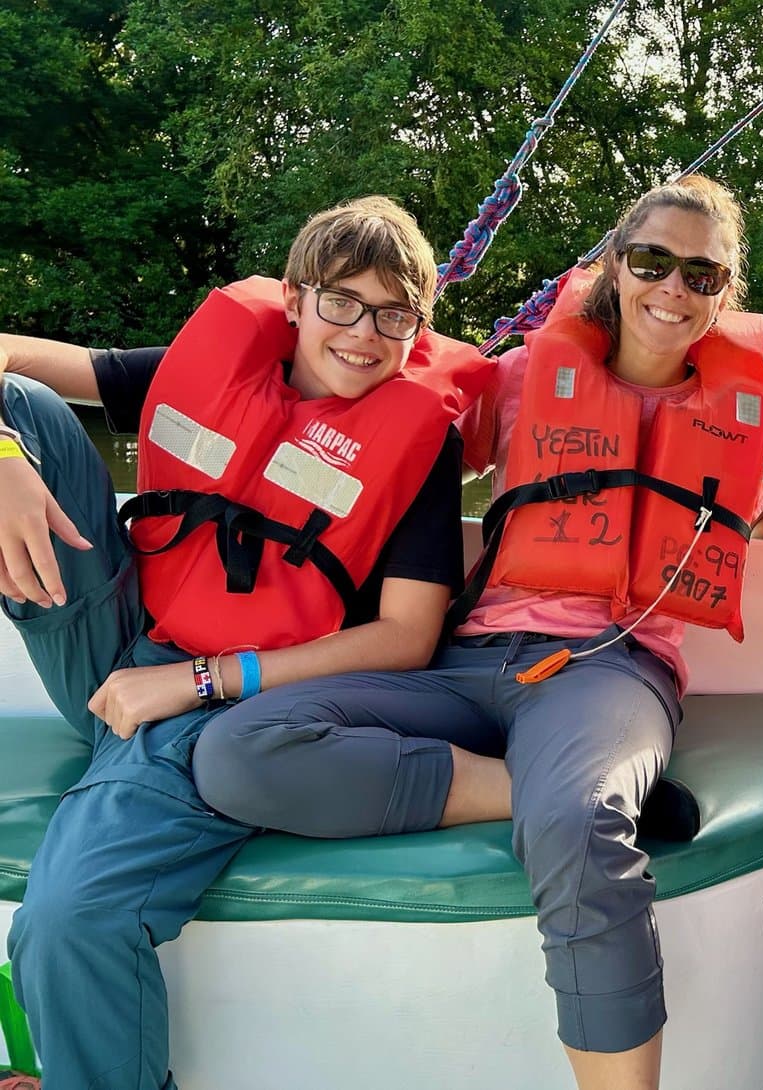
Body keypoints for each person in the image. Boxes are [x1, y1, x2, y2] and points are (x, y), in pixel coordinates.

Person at [189, 174, 763, 1090]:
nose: (673, 287)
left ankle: (578, 802)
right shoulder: (533, 374)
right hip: (466, 660)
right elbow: (395, 421)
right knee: (237, 749)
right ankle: (557, 789)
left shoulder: (727, 411)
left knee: (578, 824)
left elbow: (751, 496)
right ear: (615, 266)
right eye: (652, 260)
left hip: (605, 672)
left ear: (724, 293)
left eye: (703, 274)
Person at [0, 195, 488, 1090]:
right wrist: (2, 462)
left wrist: (200, 680)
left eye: (394, 316)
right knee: (17, 403)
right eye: (342, 302)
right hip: (109, 631)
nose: (364, 334)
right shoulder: (210, 369)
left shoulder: (417, 444)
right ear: (296, 300)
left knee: (67, 919)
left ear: (418, 330)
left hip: (224, 698)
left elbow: (408, 636)